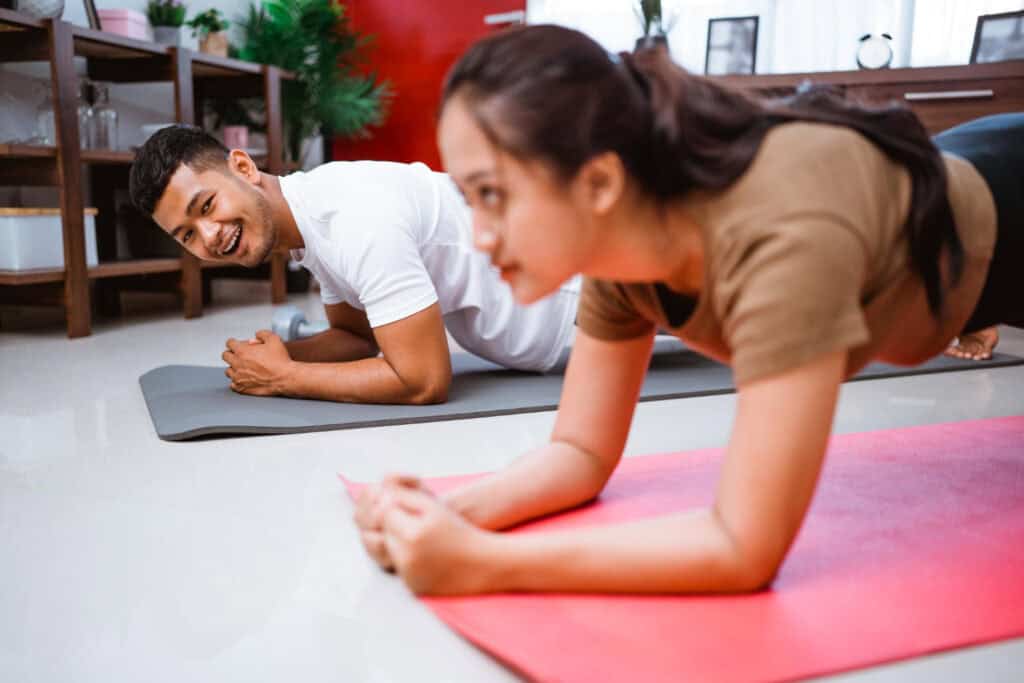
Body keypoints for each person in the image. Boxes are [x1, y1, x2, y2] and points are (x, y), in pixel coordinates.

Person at [354, 25, 1023, 595]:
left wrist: (482, 563)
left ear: (599, 182)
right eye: (469, 199)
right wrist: (444, 514)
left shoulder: (783, 235)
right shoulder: (618, 245)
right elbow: (580, 451)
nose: (478, 237)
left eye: (493, 195)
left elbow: (743, 546)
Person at [128, 125, 579, 404]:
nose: (209, 236)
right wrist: (276, 356)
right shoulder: (310, 215)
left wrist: (286, 376)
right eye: (187, 235)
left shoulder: (354, 218)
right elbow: (357, 337)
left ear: (243, 168)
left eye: (207, 206)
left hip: (583, 296)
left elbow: (424, 381)